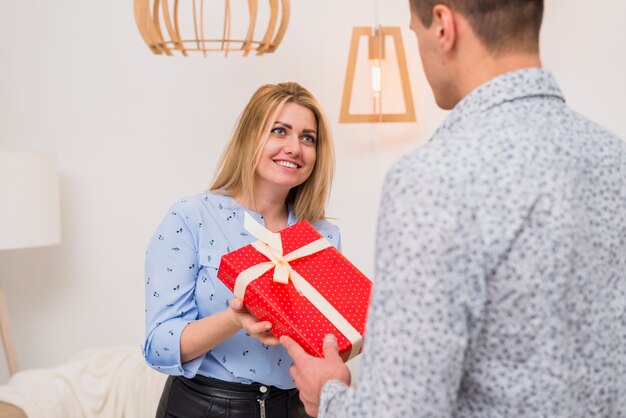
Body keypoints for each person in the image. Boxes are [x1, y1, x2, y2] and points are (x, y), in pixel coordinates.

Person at [281, 1, 626, 416]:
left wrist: (330, 397)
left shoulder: (434, 177)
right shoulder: (614, 160)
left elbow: (404, 411)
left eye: (415, 33)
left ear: (443, 26)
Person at [143, 82, 340, 418]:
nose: (295, 147)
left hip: (292, 408)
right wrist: (234, 318)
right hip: (201, 408)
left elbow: (327, 345)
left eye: (308, 138)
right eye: (280, 131)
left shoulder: (322, 236)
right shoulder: (192, 217)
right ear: (251, 136)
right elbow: (158, 346)